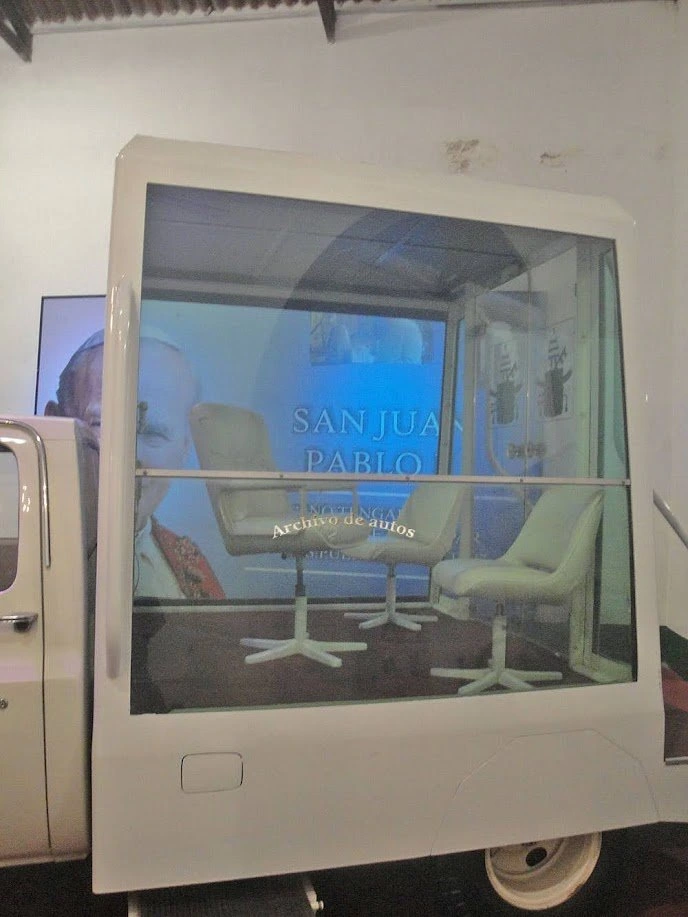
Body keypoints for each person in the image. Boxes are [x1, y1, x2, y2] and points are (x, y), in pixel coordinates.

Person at [45, 329, 224, 601]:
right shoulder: (34, 550)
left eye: (154, 432)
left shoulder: (189, 563)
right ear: (55, 422)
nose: (132, 456)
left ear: (185, 447)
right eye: (104, 424)